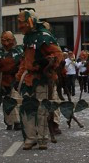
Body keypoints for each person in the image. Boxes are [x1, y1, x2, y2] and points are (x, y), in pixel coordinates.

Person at [14, 8, 62, 151]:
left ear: (30, 21)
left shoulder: (44, 36)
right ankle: (30, 138)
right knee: (26, 108)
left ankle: (42, 138)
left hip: (42, 78)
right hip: (29, 79)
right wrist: (18, 77)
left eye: (22, 22)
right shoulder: (27, 38)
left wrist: (48, 62)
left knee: (42, 110)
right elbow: (25, 60)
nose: (20, 26)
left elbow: (58, 55)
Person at [0, 31, 23, 130]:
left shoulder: (19, 52)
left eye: (8, 40)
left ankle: (17, 121)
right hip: (3, 79)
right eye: (3, 40)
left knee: (15, 100)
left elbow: (22, 65)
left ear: (13, 40)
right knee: (6, 101)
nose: (6, 43)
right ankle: (9, 122)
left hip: (16, 79)